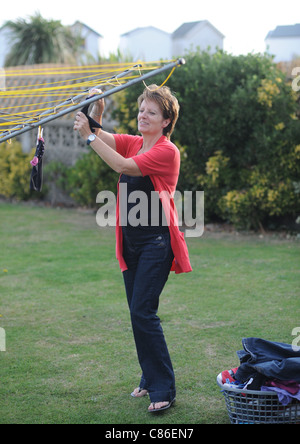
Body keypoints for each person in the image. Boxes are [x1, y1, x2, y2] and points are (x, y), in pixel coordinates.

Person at [74, 84, 192, 413]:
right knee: (136, 313)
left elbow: (123, 166)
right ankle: (148, 377)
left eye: (151, 112)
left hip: (157, 243)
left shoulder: (167, 151)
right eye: (142, 109)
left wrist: (88, 136)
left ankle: (164, 388)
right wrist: (96, 110)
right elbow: (102, 135)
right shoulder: (136, 142)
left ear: (166, 121)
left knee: (143, 311)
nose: (143, 115)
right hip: (131, 244)